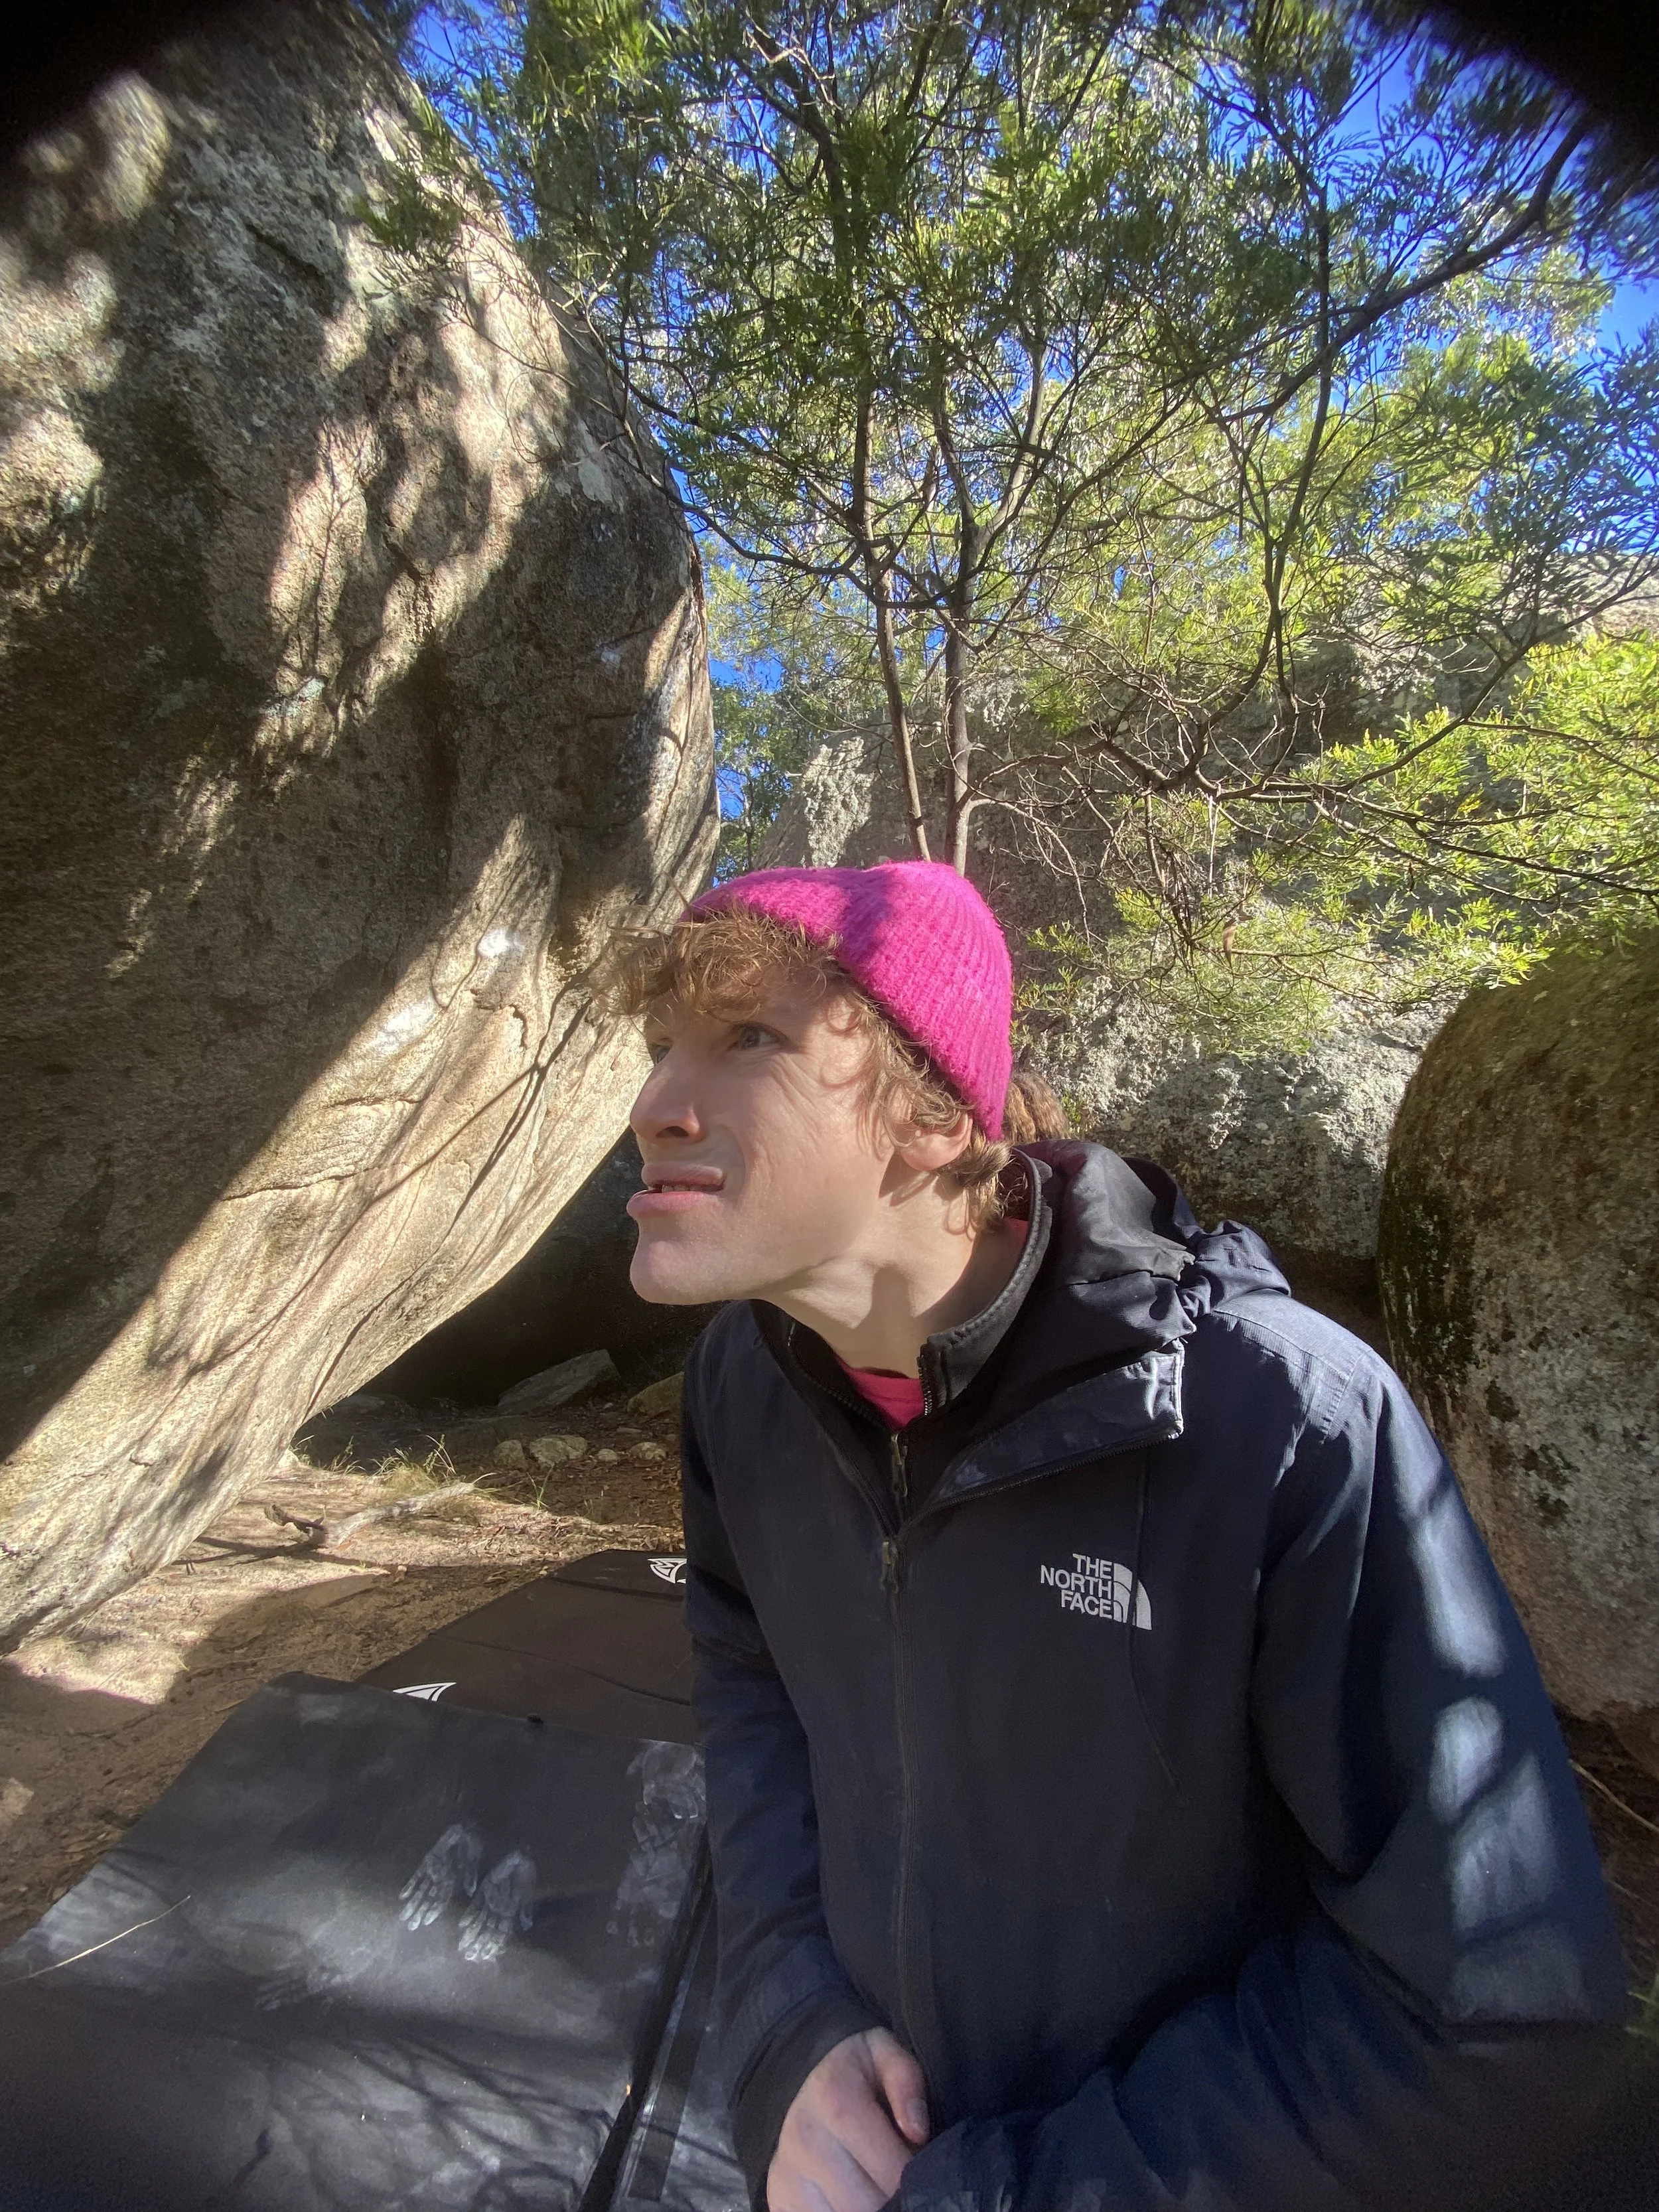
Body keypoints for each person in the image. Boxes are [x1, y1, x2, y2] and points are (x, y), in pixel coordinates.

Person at [610, 858, 1630, 2212]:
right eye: (661, 1045)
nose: (654, 1105)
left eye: (748, 1039)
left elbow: (1486, 2007)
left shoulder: (1281, 1422)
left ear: (928, 1118)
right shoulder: (743, 1389)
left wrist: (1001, 2192)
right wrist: (789, 2029)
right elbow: (754, 1694)